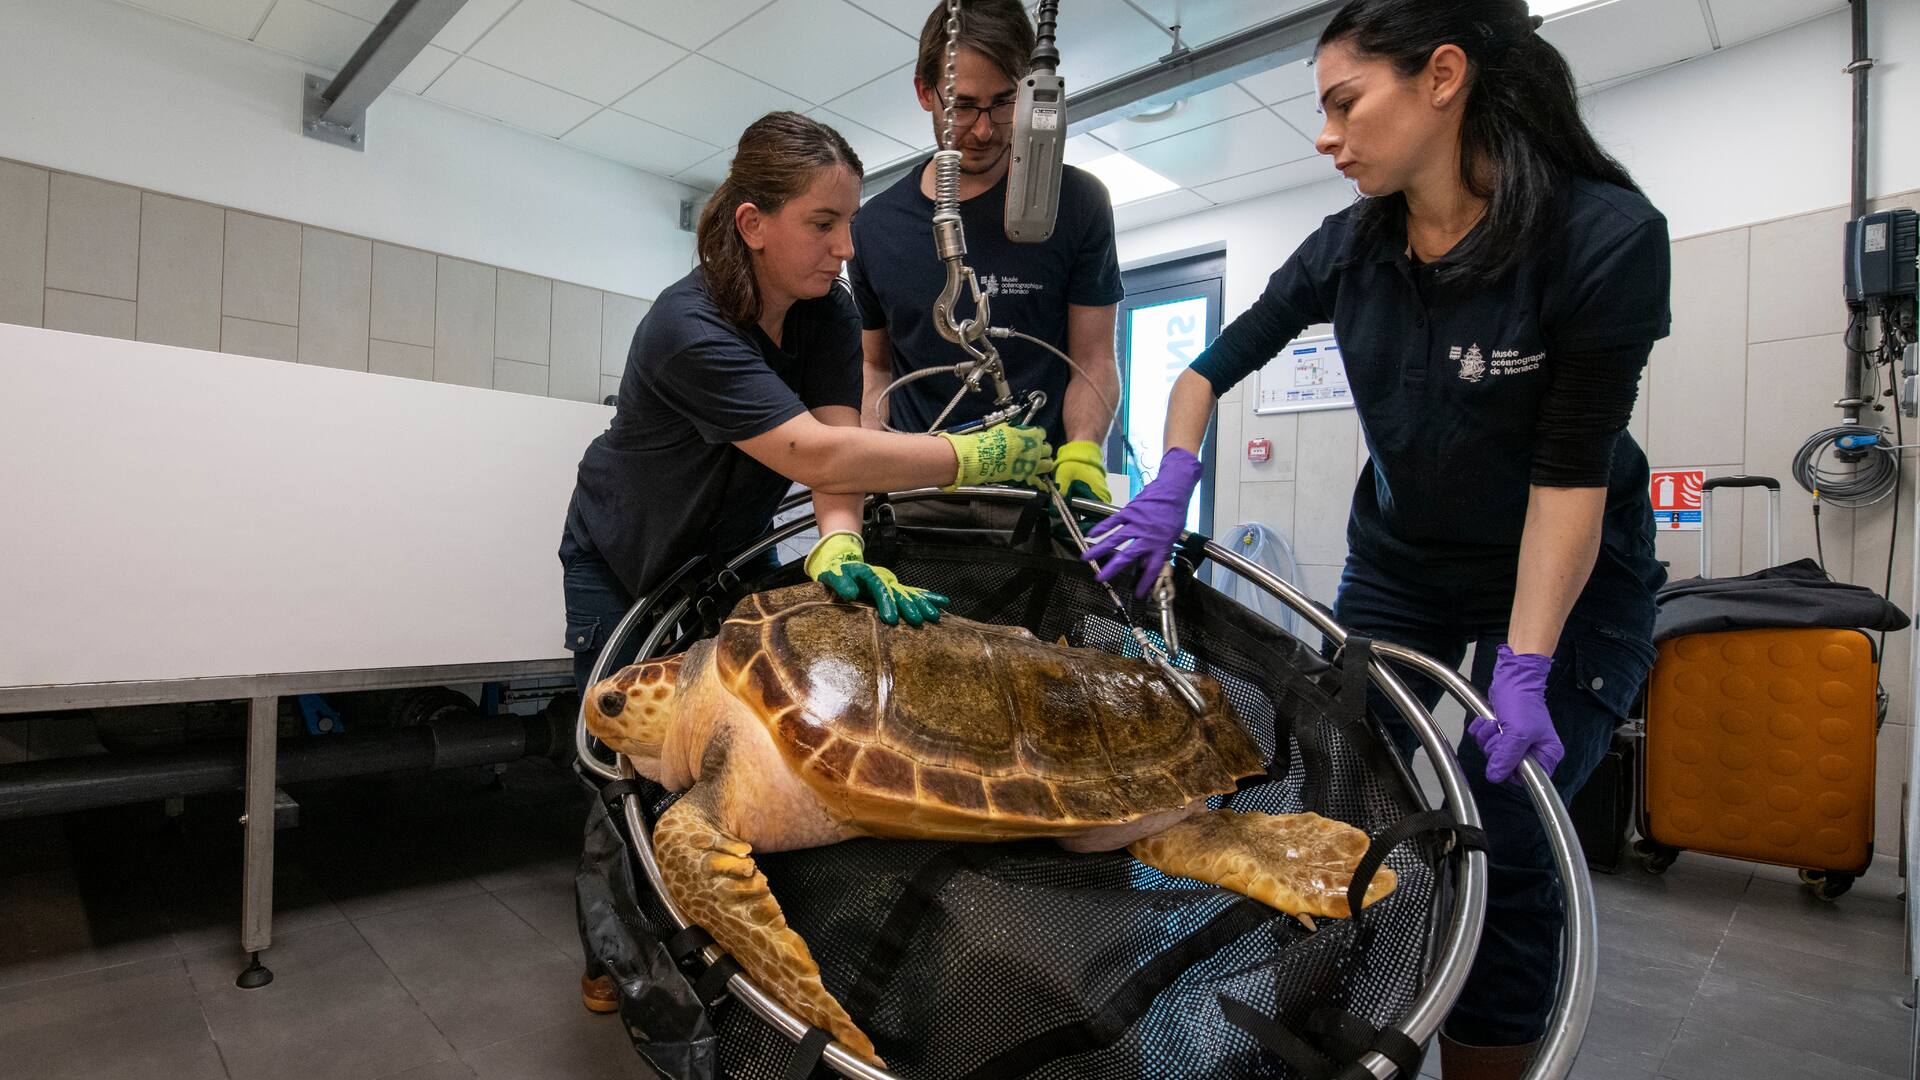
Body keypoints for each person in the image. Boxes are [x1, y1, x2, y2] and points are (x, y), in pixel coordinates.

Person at [1084, 2, 1669, 1076]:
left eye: (1345, 101)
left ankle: (1487, 1055)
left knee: (1506, 829)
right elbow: (1206, 371)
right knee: (1346, 786)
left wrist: (1528, 665)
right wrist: (1172, 479)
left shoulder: (1602, 239)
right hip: (1405, 563)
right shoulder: (1352, 247)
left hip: (1568, 577)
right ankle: (1347, 1023)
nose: (1325, 134)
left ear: (1442, 76)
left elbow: (1569, 480)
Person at [849, 0, 1122, 507]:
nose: (982, 130)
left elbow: (1093, 358)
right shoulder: (873, 228)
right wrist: (874, 469)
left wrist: (1084, 454)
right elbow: (875, 369)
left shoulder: (1077, 202)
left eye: (1003, 102)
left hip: (1039, 501)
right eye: (963, 105)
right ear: (925, 92)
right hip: (919, 499)